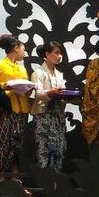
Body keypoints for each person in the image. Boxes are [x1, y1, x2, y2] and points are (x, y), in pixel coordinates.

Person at [0, 34, 29, 176]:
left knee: (17, 146)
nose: (24, 53)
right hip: (6, 110)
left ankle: (15, 178)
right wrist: (5, 86)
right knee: (3, 144)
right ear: (15, 48)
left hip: (22, 111)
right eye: (23, 49)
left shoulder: (22, 69)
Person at [30, 41, 67, 171]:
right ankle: (44, 186)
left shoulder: (59, 74)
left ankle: (55, 185)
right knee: (44, 150)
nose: (59, 56)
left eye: (60, 53)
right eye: (56, 53)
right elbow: (38, 94)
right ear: (47, 54)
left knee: (58, 150)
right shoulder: (38, 73)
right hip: (43, 116)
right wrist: (51, 92)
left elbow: (63, 93)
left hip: (57, 117)